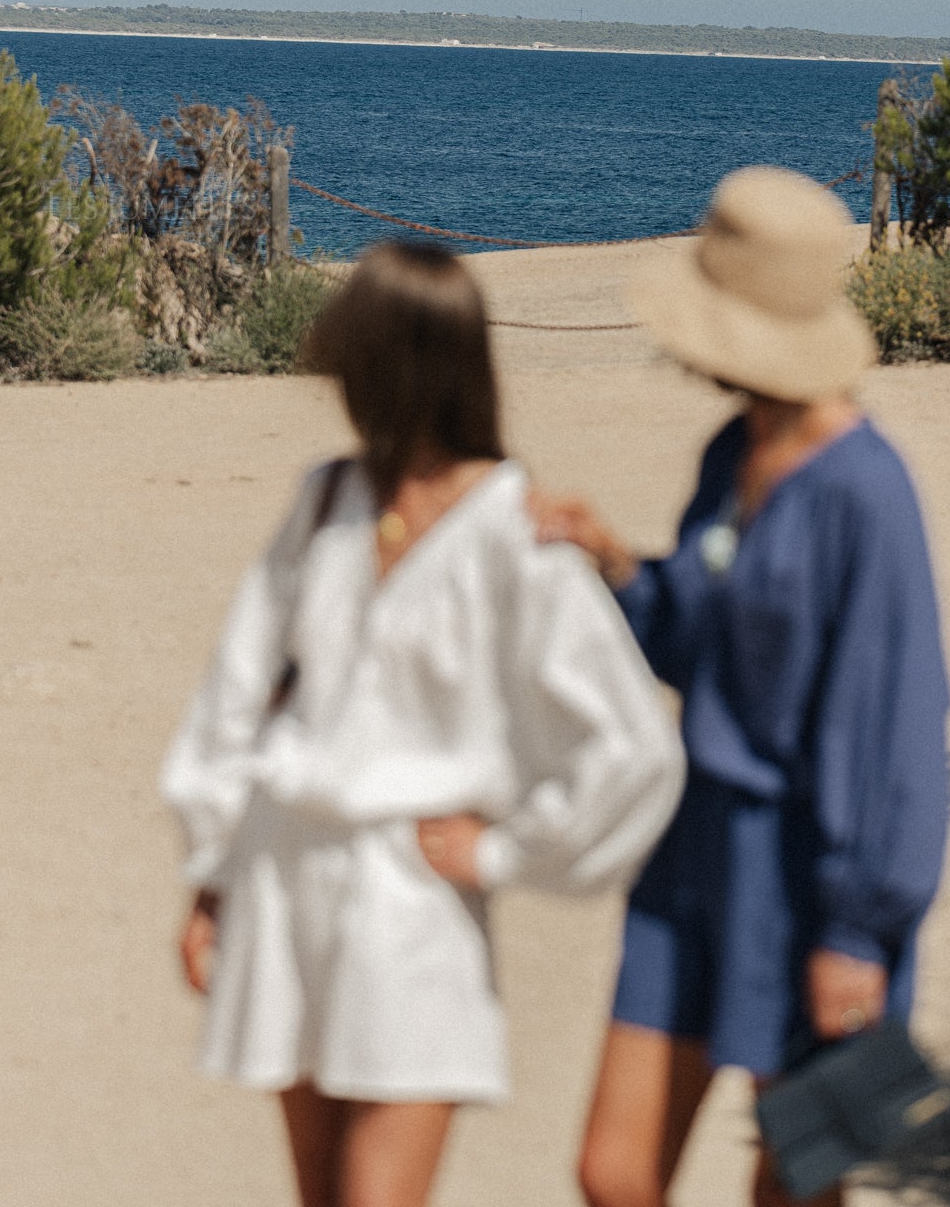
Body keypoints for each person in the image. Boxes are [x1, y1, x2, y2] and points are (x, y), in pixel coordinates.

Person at [161, 240, 685, 1207]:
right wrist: (211, 875)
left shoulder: (512, 531)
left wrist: (502, 852)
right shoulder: (326, 499)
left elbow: (632, 743)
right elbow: (236, 692)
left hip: (410, 906)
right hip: (286, 874)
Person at [531, 168, 950, 1207]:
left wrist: (857, 928)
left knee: (794, 1187)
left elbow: (898, 727)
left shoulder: (867, 492)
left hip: (810, 872)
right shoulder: (734, 450)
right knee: (612, 1171)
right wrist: (612, 562)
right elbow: (693, 636)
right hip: (694, 848)